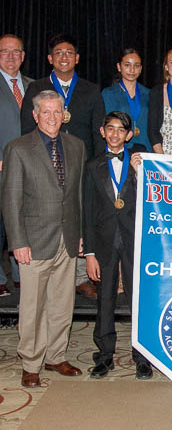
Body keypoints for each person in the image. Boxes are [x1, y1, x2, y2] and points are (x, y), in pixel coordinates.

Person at [2, 90, 86, 387]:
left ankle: (55, 356)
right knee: (32, 307)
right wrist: (17, 241)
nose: (52, 118)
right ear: (35, 115)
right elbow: (10, 200)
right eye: (46, 112)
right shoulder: (18, 148)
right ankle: (31, 361)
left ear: (64, 114)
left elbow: (76, 195)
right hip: (33, 241)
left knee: (62, 303)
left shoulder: (76, 146)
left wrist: (79, 235)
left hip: (68, 237)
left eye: (57, 111)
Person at [20, 33, 105, 299]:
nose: (64, 57)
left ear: (77, 58)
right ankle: (46, 269)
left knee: (78, 214)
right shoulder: (38, 88)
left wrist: (96, 166)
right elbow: (26, 127)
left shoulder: (91, 90)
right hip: (44, 164)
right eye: (58, 52)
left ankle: (79, 276)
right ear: (49, 58)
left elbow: (97, 131)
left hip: (80, 165)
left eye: (69, 52)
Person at [84, 111, 153, 380]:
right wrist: (89, 252)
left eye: (120, 130)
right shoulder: (92, 166)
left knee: (140, 299)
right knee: (105, 301)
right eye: (109, 129)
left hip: (135, 240)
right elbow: (88, 212)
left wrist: (140, 172)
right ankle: (104, 356)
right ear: (102, 132)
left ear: (129, 134)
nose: (115, 134)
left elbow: (152, 199)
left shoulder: (142, 164)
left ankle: (143, 356)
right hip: (103, 243)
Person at [0, 33, 30, 296]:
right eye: (4, 51)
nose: (10, 56)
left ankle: (21, 276)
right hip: (0, 169)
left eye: (15, 52)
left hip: (29, 172)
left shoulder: (33, 86)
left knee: (22, 224)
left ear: (23, 56)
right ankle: (0, 281)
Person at [102, 48, 151, 152]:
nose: (132, 70)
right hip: (120, 148)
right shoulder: (108, 94)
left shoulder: (149, 94)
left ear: (141, 68)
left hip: (146, 149)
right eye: (127, 65)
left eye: (136, 66)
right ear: (119, 67)